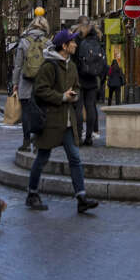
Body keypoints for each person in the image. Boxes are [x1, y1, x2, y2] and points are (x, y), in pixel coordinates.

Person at [26, 29, 99, 213]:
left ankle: (81, 197)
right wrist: (62, 97)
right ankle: (32, 193)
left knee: (75, 157)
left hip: (67, 122)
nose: (75, 44)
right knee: (42, 157)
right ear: (64, 46)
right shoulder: (49, 66)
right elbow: (40, 90)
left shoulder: (72, 66)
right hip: (50, 121)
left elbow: (76, 86)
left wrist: (74, 94)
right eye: (72, 42)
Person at [10, 16, 50, 152]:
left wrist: (15, 83)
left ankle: (26, 141)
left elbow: (18, 65)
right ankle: (39, 140)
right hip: (43, 84)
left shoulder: (23, 42)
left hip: (26, 82)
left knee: (26, 113)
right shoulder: (48, 43)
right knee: (42, 111)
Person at [73, 19, 106, 146]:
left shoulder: (78, 39)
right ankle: (89, 137)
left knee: (79, 108)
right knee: (91, 107)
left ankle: (78, 136)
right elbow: (103, 63)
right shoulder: (97, 40)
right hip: (93, 79)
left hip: (79, 78)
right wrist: (100, 79)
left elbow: (74, 59)